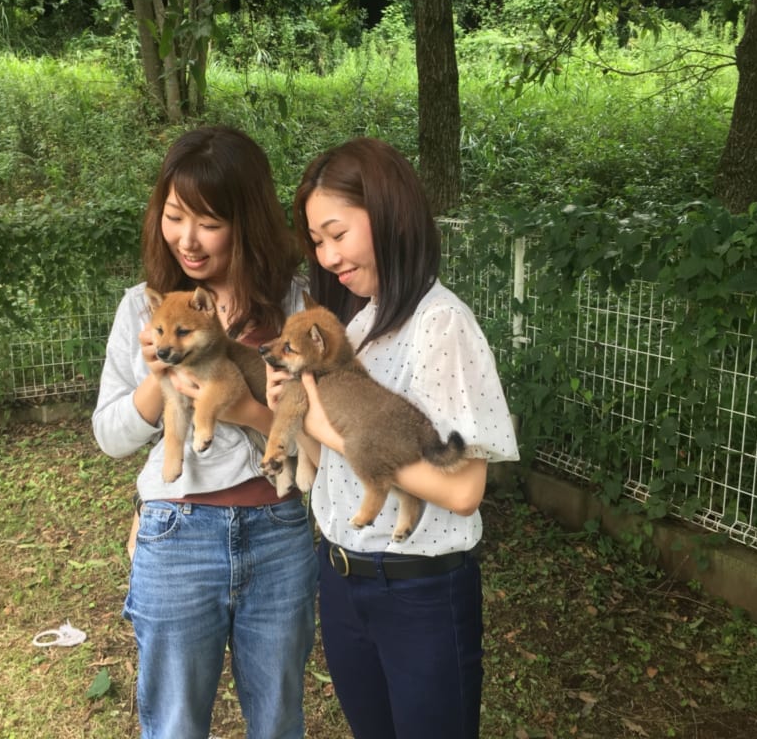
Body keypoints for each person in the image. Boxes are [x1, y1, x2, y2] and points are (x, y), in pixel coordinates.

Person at [268, 136, 519, 739]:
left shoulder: (441, 324)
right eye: (317, 242)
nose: (327, 256)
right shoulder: (358, 321)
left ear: (389, 216)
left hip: (418, 593)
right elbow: (323, 454)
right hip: (342, 572)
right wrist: (293, 415)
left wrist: (332, 429)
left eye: (337, 233)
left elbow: (462, 492)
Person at [92, 126, 319, 739]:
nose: (186, 240)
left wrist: (246, 410)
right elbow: (111, 437)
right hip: (178, 532)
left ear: (247, 221)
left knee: (277, 721)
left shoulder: (297, 305)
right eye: (173, 216)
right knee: (173, 725)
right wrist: (156, 373)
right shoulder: (143, 308)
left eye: (209, 222)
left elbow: (321, 442)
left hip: (279, 532)